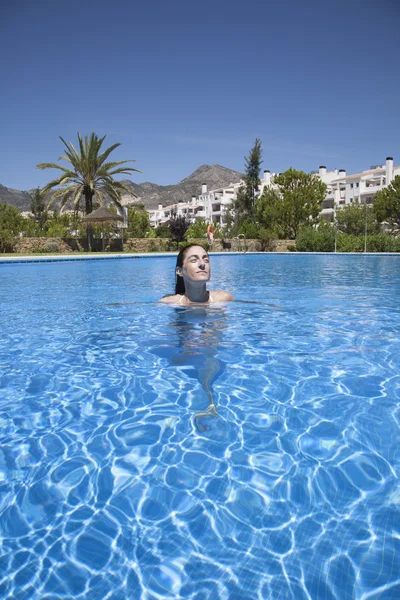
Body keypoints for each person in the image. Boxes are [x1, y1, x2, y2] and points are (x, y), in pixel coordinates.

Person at [158, 244, 234, 305]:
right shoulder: (168, 303)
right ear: (179, 271)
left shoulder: (224, 299)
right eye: (194, 260)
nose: (202, 264)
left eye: (206, 260)